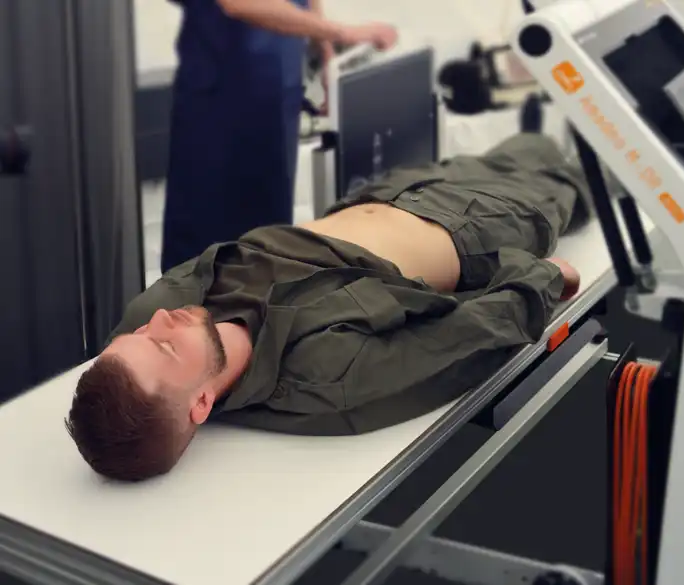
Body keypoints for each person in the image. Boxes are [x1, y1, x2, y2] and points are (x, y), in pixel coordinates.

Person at [66, 133, 589, 482]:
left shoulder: (166, 314)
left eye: (133, 335)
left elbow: (132, 365)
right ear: (200, 405)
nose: (158, 321)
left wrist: (143, 346)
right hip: (478, 221)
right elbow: (470, 336)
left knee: (536, 140)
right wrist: (541, 278)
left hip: (397, 191)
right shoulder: (325, 370)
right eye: (161, 343)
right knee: (594, 169)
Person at [161, 0, 398, 273]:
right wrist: (343, 33)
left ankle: (261, 306)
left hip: (277, 79)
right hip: (222, 85)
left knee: (267, 234)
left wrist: (326, 56)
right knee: (206, 240)